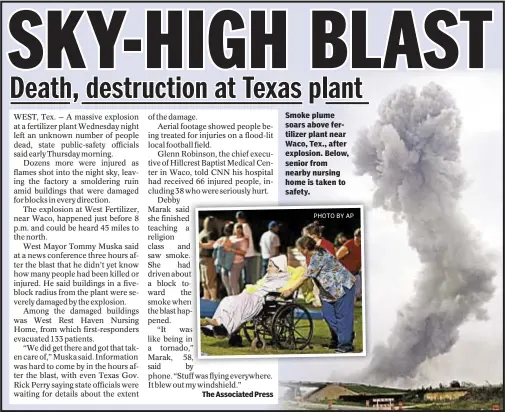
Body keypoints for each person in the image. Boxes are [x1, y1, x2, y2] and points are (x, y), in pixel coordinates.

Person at [282, 236, 356, 353]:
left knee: (343, 318)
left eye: (299, 248)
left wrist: (290, 290)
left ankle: (345, 346)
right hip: (329, 292)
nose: (299, 251)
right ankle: (347, 334)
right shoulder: (317, 252)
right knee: (328, 315)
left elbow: (305, 278)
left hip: (344, 286)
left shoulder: (319, 257)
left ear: (305, 248)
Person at [201, 255, 291, 340]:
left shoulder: (282, 280)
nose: (267, 269)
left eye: (270, 266)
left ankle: (222, 326)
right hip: (252, 296)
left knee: (238, 304)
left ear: (279, 268)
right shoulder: (269, 278)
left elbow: (276, 294)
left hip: (259, 300)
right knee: (227, 300)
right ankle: (213, 325)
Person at [336, 228, 362, 302]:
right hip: (345, 274)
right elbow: (336, 258)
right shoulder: (348, 245)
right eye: (357, 236)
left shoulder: (363, 246)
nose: (357, 238)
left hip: (355, 274)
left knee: (355, 296)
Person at [223, 223, 248, 295]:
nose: (238, 229)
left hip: (237, 263)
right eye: (237, 228)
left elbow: (243, 253)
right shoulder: (231, 238)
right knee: (226, 281)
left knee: (233, 282)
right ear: (234, 229)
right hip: (227, 263)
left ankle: (236, 299)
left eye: (240, 228)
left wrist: (231, 249)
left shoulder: (244, 240)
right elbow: (224, 247)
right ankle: (229, 298)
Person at [213, 222, 237, 297]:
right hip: (226, 264)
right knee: (229, 284)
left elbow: (215, 246)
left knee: (230, 284)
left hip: (229, 264)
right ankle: (230, 298)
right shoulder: (228, 239)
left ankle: (232, 298)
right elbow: (215, 246)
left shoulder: (232, 239)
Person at [199, 216, 219, 301]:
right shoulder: (203, 232)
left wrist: (201, 245)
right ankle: (206, 297)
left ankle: (213, 299)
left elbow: (212, 245)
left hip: (209, 259)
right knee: (203, 281)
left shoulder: (212, 233)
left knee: (210, 280)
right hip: (202, 258)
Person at [236, 211, 256, 286]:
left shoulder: (244, 226)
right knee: (246, 274)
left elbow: (246, 240)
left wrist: (244, 250)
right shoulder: (246, 226)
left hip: (247, 254)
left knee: (247, 275)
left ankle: (248, 291)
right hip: (247, 254)